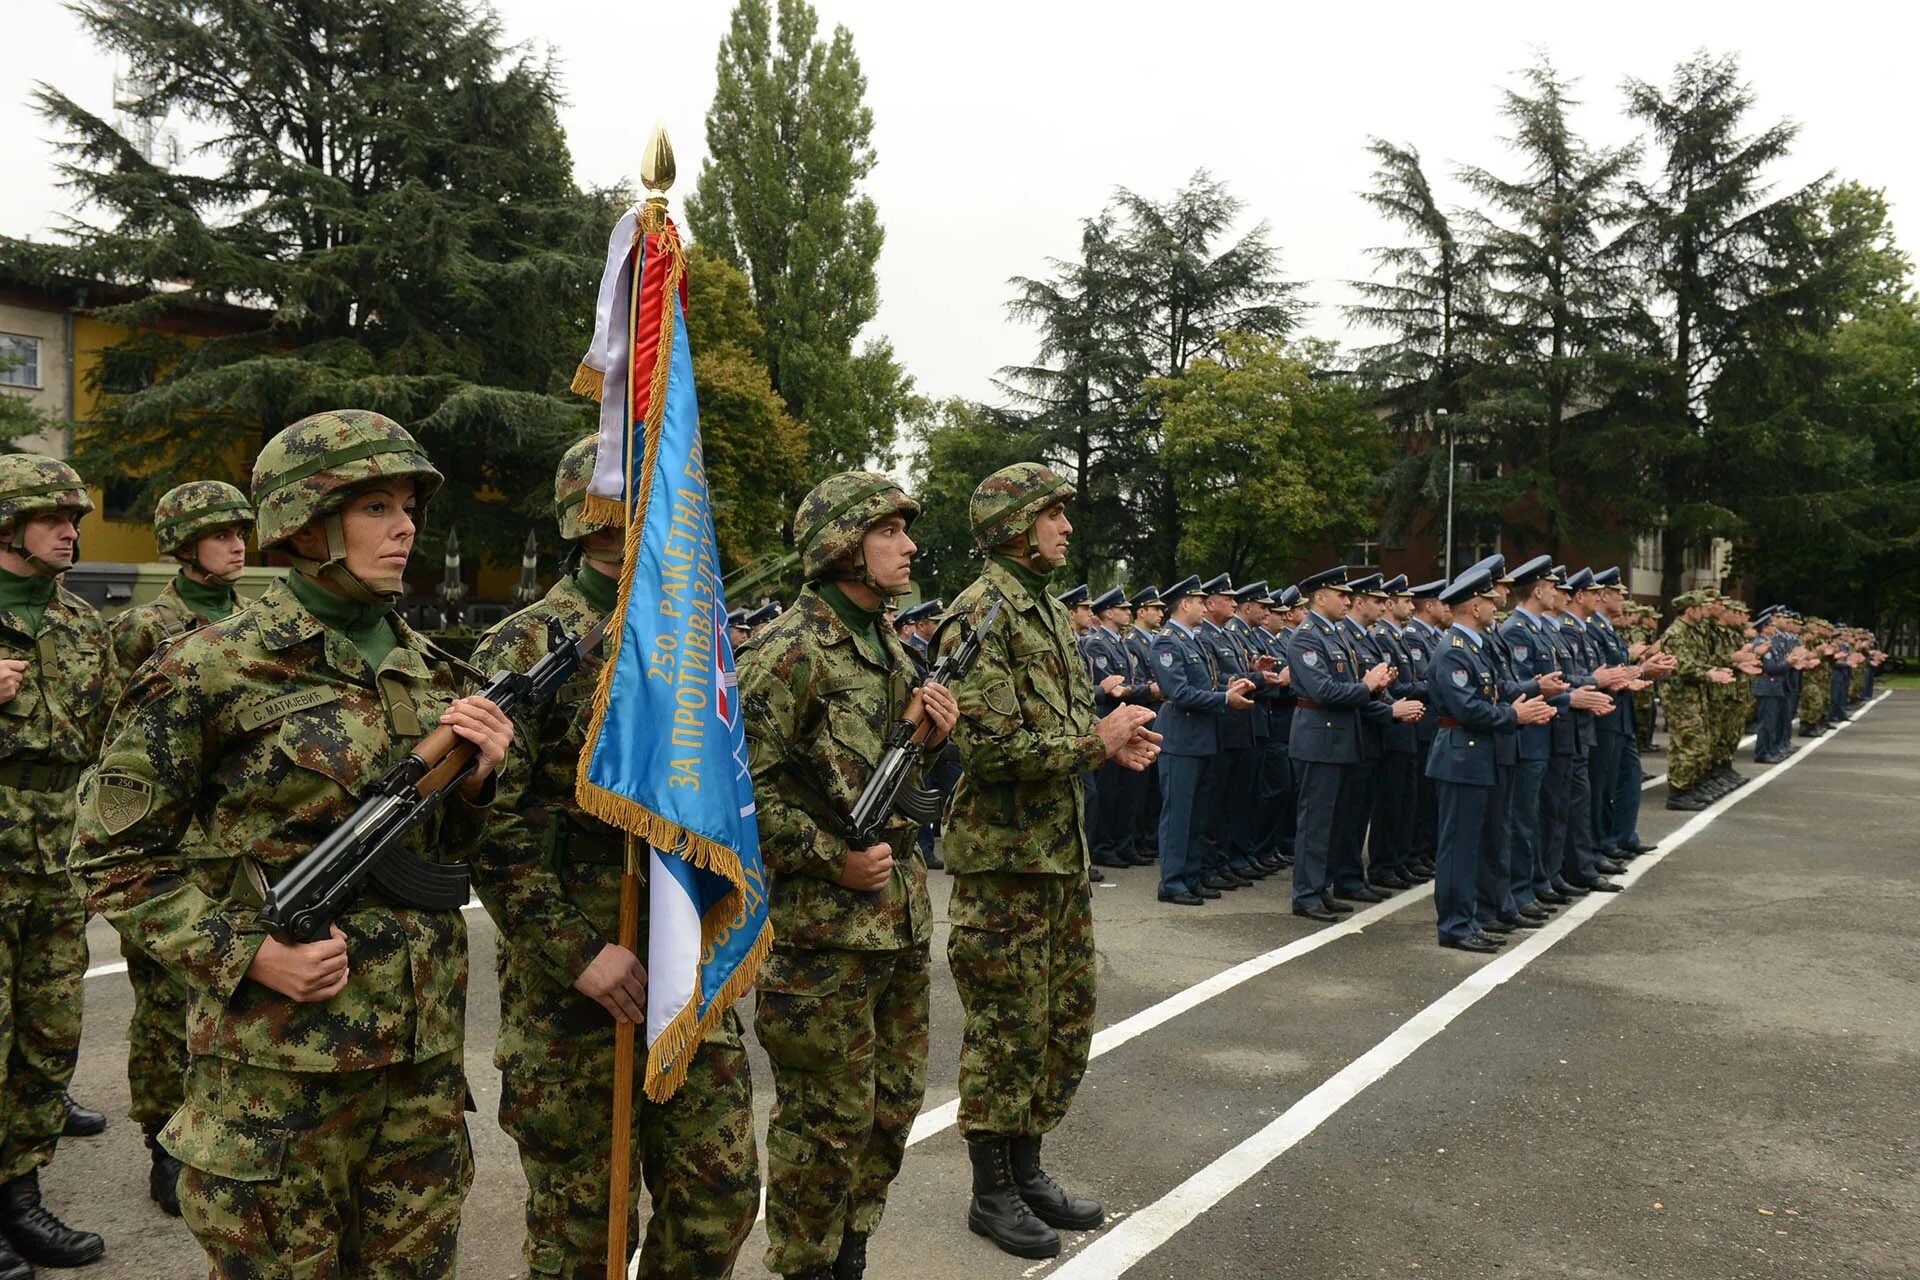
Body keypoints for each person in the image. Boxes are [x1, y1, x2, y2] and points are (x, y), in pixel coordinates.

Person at [70, 410, 514, 1280]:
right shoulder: (210, 668)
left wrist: (477, 781)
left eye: (409, 507)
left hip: (418, 1075)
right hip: (278, 1079)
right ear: (307, 523)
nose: (405, 526)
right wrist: (248, 954)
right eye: (376, 506)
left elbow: (451, 852)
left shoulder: (431, 668)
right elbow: (111, 857)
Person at [471, 436, 759, 1280]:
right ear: (595, 514)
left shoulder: (692, 635)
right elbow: (489, 826)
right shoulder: (527, 646)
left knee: (720, 1200)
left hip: (684, 962)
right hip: (579, 989)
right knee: (585, 1237)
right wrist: (576, 953)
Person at [735, 471, 955, 1280]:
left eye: (906, 530)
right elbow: (735, 799)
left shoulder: (892, 646)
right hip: (820, 940)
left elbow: (898, 786)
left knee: (889, 1112)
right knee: (825, 1125)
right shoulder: (788, 652)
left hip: (895, 921)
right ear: (842, 545)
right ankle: (803, 1265)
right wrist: (834, 857)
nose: (908, 545)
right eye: (889, 531)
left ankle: (849, 1255)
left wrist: (930, 741)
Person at [935, 463, 1158, 1261]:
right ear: (1013, 526)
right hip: (1004, 866)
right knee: (1007, 1028)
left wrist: (1108, 743)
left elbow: (1056, 736)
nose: (1066, 527)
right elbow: (987, 749)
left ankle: (1027, 1170)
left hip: (1056, 855)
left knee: (1062, 1023)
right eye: (1053, 514)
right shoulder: (981, 615)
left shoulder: (1045, 613)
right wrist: (1089, 743)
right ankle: (990, 1191)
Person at [103, 478, 258, 1217]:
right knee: (164, 1004)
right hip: (176, 845)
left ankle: (223, 1127)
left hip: (240, 847)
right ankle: (162, 1142)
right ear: (183, 543)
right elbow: (120, 749)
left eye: (241, 530)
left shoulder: (263, 621)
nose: (237, 543)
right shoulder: (143, 628)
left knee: (233, 995)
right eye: (220, 532)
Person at [0, 453, 113, 1275]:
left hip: (57, 860)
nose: (69, 531)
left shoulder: (81, 626)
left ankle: (20, 1197)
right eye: (51, 519)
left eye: (73, 517)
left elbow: (110, 748)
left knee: (46, 1035)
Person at [1426, 566, 1554, 952]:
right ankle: (1455, 925)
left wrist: (1522, 699)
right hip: (1461, 756)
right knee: (1459, 847)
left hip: (1481, 756)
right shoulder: (1453, 650)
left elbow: (1493, 692)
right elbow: (1468, 710)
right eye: (1488, 601)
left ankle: (1477, 916)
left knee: (1483, 842)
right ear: (1473, 606)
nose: (1495, 607)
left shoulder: (1476, 646)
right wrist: (1516, 716)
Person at [1286, 566, 1417, 922]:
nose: (1348, 600)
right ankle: (1306, 893)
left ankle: (1323, 886)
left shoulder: (1336, 636)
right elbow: (1323, 690)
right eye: (1341, 594)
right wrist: (1369, 685)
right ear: (1319, 597)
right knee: (1315, 821)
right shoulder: (1307, 637)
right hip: (1319, 737)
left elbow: (1351, 688)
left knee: (1335, 821)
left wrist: (1382, 702)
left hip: (1341, 738)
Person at [1150, 577, 1253, 906]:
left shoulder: (1192, 641)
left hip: (1202, 738)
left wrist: (1235, 684)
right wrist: (1225, 698)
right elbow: (1179, 693)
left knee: (1198, 814)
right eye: (1198, 601)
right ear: (1184, 605)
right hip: (1181, 737)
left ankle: (1191, 876)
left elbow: (1208, 681)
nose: (1204, 606)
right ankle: (1173, 880)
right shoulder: (1167, 642)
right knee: (1179, 813)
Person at [1082, 587, 1151, 871]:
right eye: (1122, 609)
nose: (1128, 612)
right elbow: (1109, 687)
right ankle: (1104, 846)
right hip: (1107, 719)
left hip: (1125, 719)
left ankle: (1124, 844)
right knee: (1107, 791)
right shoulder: (1098, 643)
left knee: (1127, 790)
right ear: (1108, 612)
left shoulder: (1121, 642)